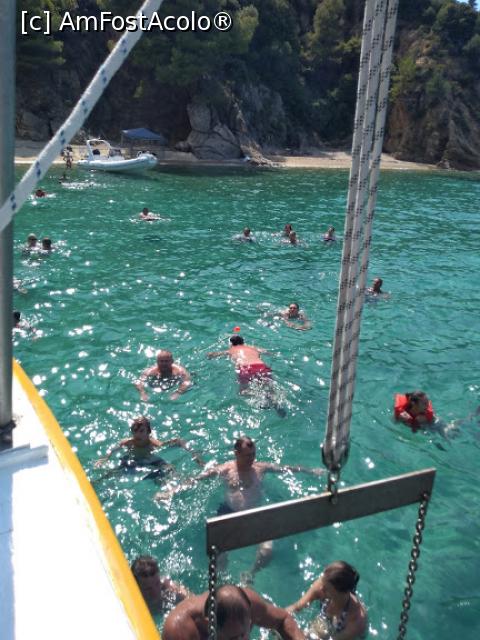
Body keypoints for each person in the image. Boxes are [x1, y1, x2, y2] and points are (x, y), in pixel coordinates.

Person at [155, 436, 323, 579]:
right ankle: (221, 583)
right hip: (228, 513)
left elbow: (286, 468)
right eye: (247, 455)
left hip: (255, 514)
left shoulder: (260, 468)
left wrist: (310, 471)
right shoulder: (226, 470)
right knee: (219, 556)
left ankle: (250, 575)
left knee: (266, 551)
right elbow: (196, 480)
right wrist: (170, 492)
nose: (252, 459)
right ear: (236, 454)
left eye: (253, 454)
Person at [162, 584, 304, 640]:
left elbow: (283, 619)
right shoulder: (179, 631)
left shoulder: (249, 603)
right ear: (210, 625)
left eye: (244, 635)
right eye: (233, 639)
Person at [287, 561, 367, 640]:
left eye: (326, 588)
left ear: (341, 593)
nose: (321, 588)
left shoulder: (356, 621)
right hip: (325, 622)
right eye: (322, 583)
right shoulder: (323, 584)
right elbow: (296, 607)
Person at [94, 415, 203, 471]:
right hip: (133, 462)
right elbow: (113, 450)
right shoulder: (127, 443)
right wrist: (105, 458)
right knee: (112, 473)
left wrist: (196, 457)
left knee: (170, 469)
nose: (138, 435)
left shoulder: (155, 444)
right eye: (135, 431)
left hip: (151, 462)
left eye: (141, 431)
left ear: (148, 432)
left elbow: (179, 441)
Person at [208, 335, 273, 393]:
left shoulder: (231, 350)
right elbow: (267, 352)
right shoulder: (253, 348)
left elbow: (213, 354)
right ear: (243, 342)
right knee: (269, 388)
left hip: (246, 368)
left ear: (231, 344)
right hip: (262, 366)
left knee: (243, 391)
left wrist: (209, 354)